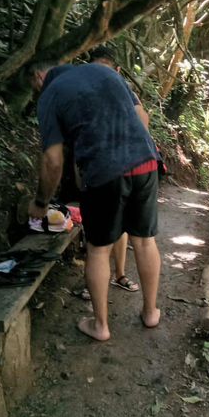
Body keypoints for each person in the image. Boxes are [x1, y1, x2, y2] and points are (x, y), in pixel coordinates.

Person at [28, 61, 162, 341]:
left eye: (34, 87)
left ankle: (100, 326)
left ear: (39, 76)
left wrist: (41, 203)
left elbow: (53, 161)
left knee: (98, 250)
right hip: (146, 161)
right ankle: (150, 312)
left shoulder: (50, 94)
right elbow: (142, 116)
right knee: (145, 241)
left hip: (104, 172)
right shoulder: (105, 71)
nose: (36, 92)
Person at [86, 46, 143, 294]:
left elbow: (143, 122)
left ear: (118, 71)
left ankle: (118, 274)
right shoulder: (85, 92)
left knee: (118, 226)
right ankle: (94, 283)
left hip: (122, 166)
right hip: (96, 167)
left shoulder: (126, 92)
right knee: (99, 232)